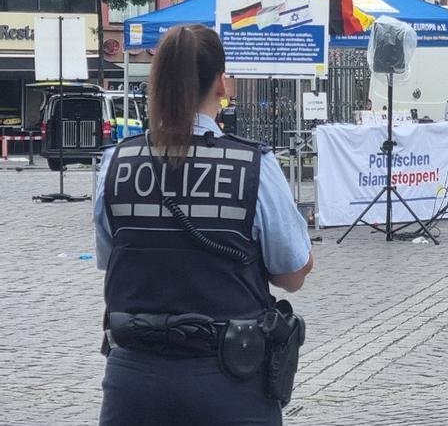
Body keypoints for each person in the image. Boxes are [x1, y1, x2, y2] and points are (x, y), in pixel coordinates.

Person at [93, 24, 314, 426]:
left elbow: (112, 259)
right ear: (221, 83)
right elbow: (293, 273)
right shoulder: (254, 165)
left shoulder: (116, 162)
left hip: (134, 384)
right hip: (230, 382)